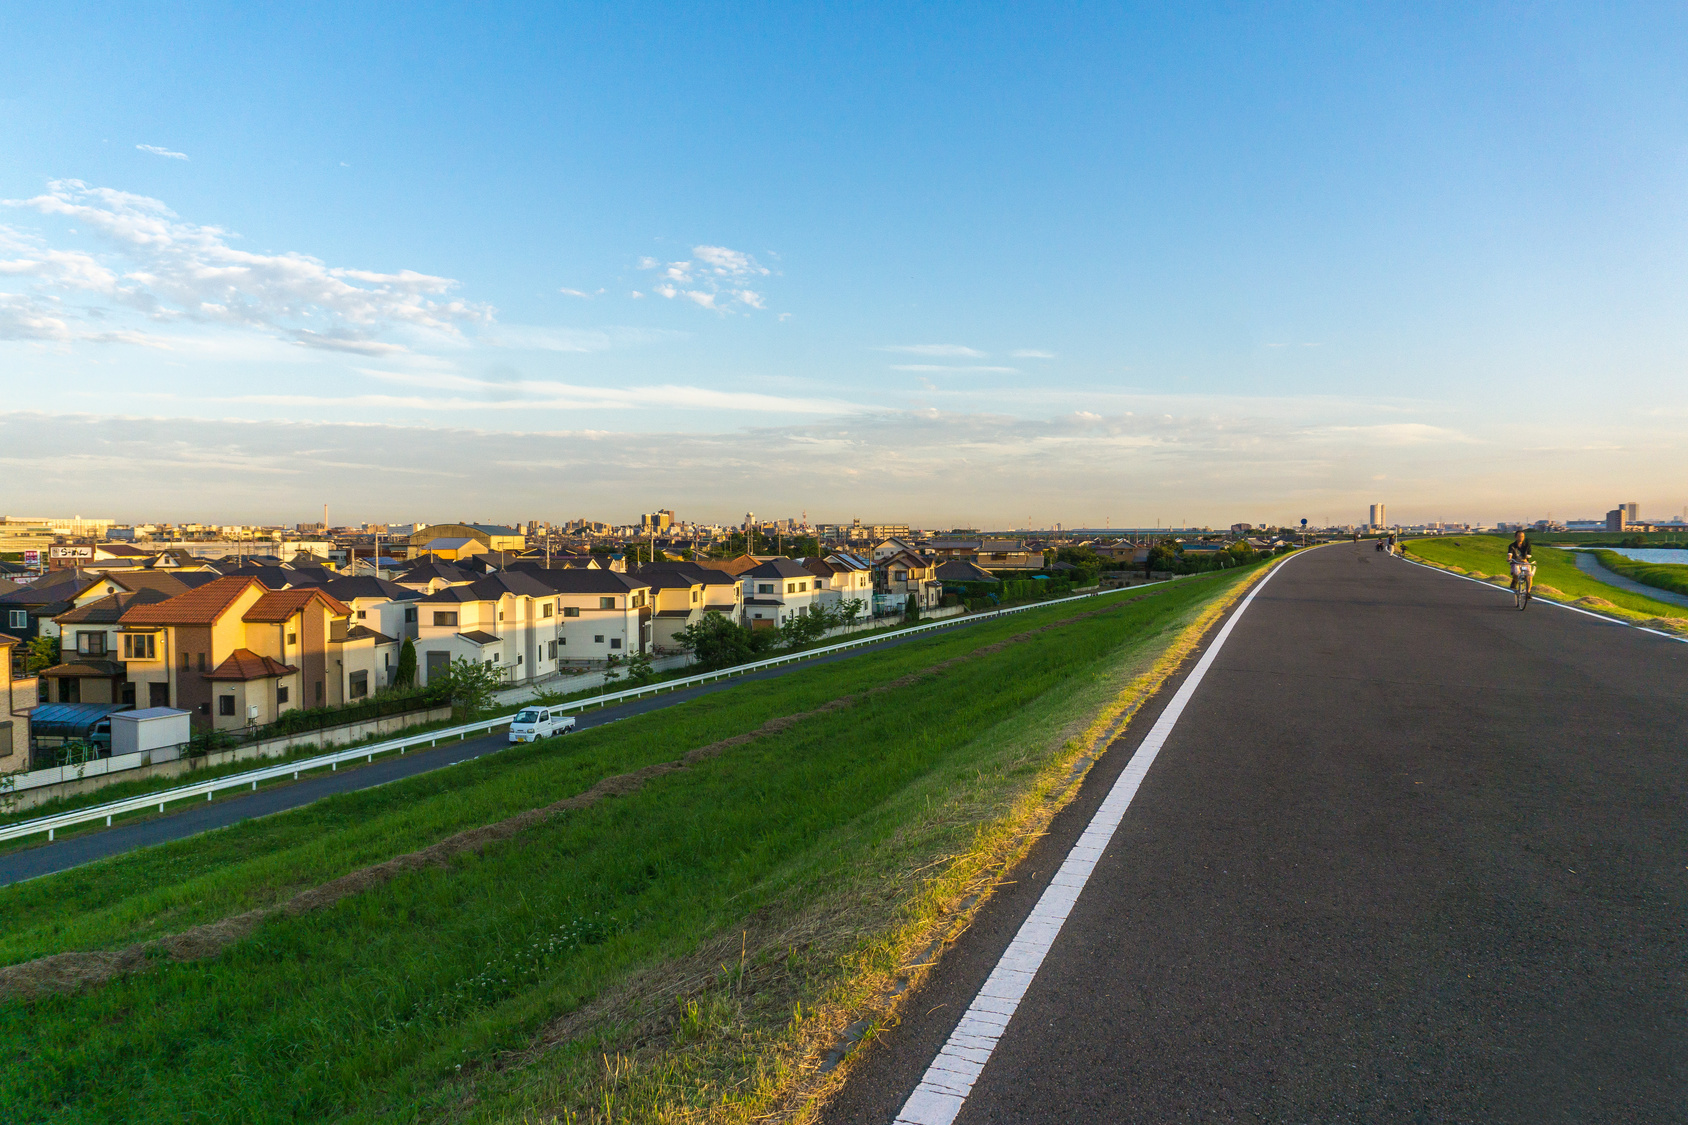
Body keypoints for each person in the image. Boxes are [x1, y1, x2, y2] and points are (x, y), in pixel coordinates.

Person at [1507, 529, 1534, 595]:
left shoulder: (1527, 545)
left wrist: (1525, 558)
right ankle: (1514, 581)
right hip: (1515, 562)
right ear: (1515, 537)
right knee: (1516, 572)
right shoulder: (1512, 546)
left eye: (1522, 536)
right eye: (1519, 536)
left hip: (1525, 563)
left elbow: (1529, 555)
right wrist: (1509, 558)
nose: (1521, 538)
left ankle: (1528, 592)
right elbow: (1510, 553)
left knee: (1529, 576)